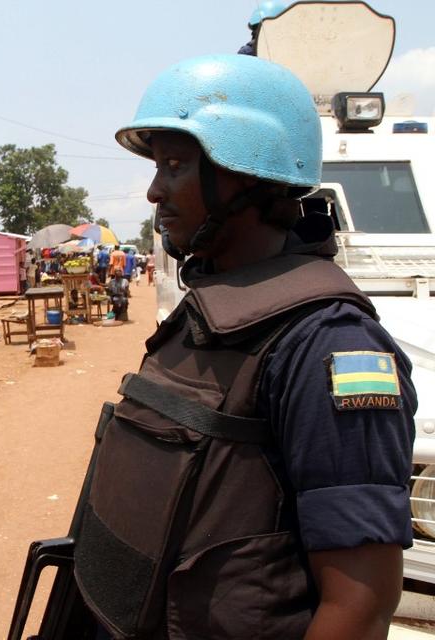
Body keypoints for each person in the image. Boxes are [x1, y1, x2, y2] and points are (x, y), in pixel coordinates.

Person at [72, 54, 416, 639]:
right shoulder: (209, 308)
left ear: (249, 175)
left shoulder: (326, 343)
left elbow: (359, 607)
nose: (154, 190)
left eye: (176, 165)